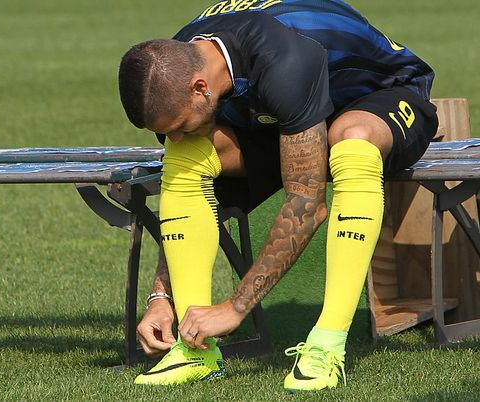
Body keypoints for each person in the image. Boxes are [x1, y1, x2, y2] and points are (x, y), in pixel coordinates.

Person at [117, 0, 438, 391]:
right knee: (186, 153)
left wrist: (235, 307)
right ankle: (193, 348)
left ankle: (327, 346)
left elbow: (307, 205)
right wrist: (161, 295)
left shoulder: (284, 58)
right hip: (285, 119)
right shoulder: (180, 57)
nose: (175, 135)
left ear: (200, 88)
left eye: (180, 124)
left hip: (383, 98)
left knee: (351, 143)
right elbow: (188, 147)